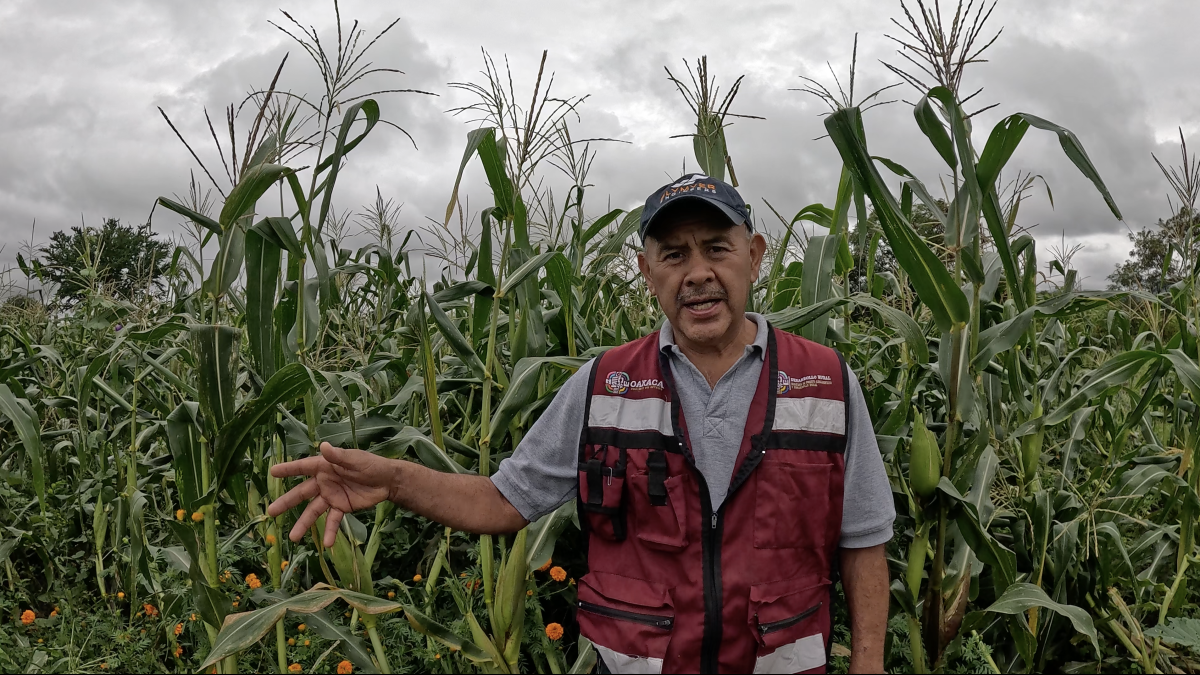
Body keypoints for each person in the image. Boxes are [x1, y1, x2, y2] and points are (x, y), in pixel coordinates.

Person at [267, 173, 895, 674]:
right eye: (673, 255)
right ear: (647, 273)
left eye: (717, 248)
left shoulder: (826, 382)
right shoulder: (602, 386)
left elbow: (863, 542)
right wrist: (396, 480)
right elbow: (502, 502)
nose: (697, 272)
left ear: (754, 257)